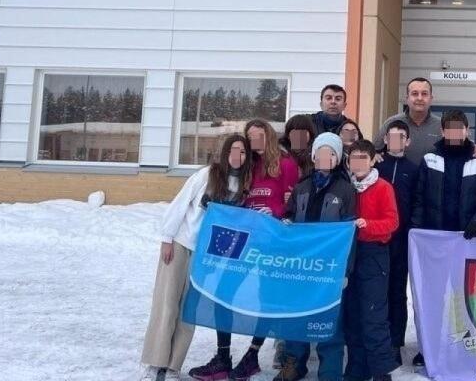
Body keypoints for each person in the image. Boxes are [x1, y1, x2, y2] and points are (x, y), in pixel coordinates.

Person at [142, 134, 250, 381]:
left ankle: (172, 366)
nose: (238, 156)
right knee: (166, 305)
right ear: (225, 152)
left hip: (206, 257)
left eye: (243, 152)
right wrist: (167, 239)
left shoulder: (243, 185)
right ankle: (154, 362)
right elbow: (180, 204)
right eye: (233, 150)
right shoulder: (206, 175)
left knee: (187, 311)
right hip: (181, 244)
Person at [205, 119, 301, 380]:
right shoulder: (248, 165)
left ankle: (252, 355)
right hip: (243, 240)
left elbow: (294, 204)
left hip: (271, 241)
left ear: (269, 136)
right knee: (224, 292)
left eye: (260, 135)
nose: (255, 140)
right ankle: (222, 354)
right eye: (251, 137)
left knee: (265, 299)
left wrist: (277, 214)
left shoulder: (286, 164)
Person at [411, 109, 476, 368]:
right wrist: (417, 232)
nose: (456, 132)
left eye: (460, 127)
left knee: (467, 297)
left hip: (467, 242)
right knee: (433, 296)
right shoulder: (430, 159)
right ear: (444, 131)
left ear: (467, 130)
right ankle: (428, 346)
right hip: (434, 242)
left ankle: (466, 346)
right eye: (451, 128)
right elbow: (419, 199)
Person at [278, 133, 358, 381]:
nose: (325, 157)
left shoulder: (346, 190)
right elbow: (289, 217)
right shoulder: (302, 187)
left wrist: (346, 270)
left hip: (330, 267)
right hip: (301, 266)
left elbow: (350, 232)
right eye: (321, 153)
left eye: (331, 153)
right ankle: (293, 364)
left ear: (337, 158)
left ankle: (330, 372)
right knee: (296, 317)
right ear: (313, 157)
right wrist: (286, 223)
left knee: (329, 321)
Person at [343, 140, 399, 381]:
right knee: (352, 313)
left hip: (374, 254)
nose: (358, 163)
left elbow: (392, 222)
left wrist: (369, 226)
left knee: (373, 314)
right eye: (354, 158)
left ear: (373, 159)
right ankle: (357, 367)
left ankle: (380, 370)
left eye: (363, 158)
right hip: (348, 255)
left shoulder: (383, 187)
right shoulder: (345, 187)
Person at [374, 120, 418, 363]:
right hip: (374, 239)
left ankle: (394, 343)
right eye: (392, 136)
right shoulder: (375, 165)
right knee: (374, 292)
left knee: (397, 292)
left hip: (401, 239)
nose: (396, 141)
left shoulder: (413, 169)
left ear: (408, 141)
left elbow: (418, 202)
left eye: (401, 136)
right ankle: (374, 340)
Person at [374, 78, 476, 165]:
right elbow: (374, 151)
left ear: (431, 98)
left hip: (431, 189)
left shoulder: (441, 126)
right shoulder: (391, 123)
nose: (420, 98)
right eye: (415, 93)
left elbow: (460, 146)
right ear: (407, 98)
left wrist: (474, 148)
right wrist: (374, 155)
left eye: (424, 94)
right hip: (398, 187)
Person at [280, 113, 319, 178]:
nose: (299, 135)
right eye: (295, 132)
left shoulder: (316, 154)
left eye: (303, 132)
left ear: (310, 134)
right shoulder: (278, 154)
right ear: (288, 135)